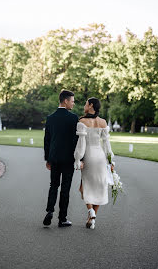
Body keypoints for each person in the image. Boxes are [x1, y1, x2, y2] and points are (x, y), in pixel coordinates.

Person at [74, 97, 114, 229]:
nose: (84, 106)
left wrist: (78, 159)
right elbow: (107, 145)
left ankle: (90, 212)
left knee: (84, 187)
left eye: (86, 103)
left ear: (91, 105)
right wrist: (110, 161)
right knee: (98, 187)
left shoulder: (82, 122)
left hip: (89, 156)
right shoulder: (103, 122)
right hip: (101, 156)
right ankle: (92, 219)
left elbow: (81, 144)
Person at [43, 90, 78, 227]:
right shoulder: (73, 118)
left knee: (53, 185)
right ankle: (62, 218)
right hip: (68, 159)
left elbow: (47, 140)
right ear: (65, 101)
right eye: (72, 101)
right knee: (65, 189)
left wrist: (48, 159)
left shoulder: (50, 118)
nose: (73, 104)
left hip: (55, 159)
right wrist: (79, 158)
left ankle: (50, 211)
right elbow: (77, 141)